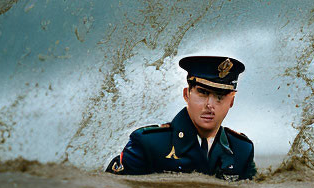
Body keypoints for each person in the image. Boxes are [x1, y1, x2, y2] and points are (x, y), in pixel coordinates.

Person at [105, 55, 255, 180]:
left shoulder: (242, 149)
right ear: (186, 94)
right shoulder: (149, 143)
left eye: (220, 96)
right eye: (202, 92)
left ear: (232, 102)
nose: (210, 105)